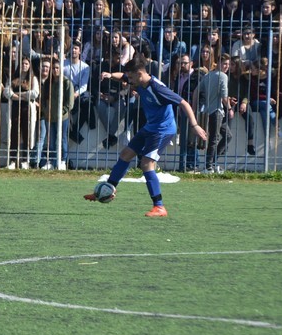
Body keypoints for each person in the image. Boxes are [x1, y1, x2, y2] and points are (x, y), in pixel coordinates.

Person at [85, 53, 207, 216]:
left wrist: (195, 125)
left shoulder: (157, 88)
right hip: (150, 127)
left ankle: (159, 206)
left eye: (131, 77)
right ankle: (107, 189)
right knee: (126, 154)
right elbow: (123, 77)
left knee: (147, 163)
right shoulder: (139, 80)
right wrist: (110, 75)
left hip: (162, 130)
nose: (129, 81)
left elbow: (183, 103)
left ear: (139, 74)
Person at [191, 52, 233, 172]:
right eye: (224, 64)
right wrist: (230, 108)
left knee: (227, 136)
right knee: (215, 139)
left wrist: (194, 108)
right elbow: (224, 97)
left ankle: (212, 162)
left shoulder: (208, 75)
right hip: (217, 111)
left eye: (228, 64)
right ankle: (208, 166)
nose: (226, 66)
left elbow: (196, 92)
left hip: (210, 111)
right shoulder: (223, 76)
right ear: (218, 63)